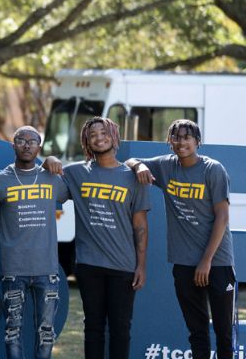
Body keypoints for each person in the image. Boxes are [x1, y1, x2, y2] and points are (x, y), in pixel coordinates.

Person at [125, 119, 235, 359]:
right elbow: (130, 162)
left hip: (216, 262)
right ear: (169, 142)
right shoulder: (165, 167)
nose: (181, 142)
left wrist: (206, 261)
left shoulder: (213, 169)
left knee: (224, 332)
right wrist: (138, 167)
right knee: (197, 331)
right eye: (176, 137)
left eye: (187, 137)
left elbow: (222, 217)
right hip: (184, 263)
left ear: (197, 141)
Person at [59, 117, 150, 359]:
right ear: (86, 142)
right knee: (93, 328)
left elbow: (140, 224)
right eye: (92, 135)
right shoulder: (75, 172)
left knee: (121, 329)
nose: (99, 137)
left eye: (103, 132)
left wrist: (141, 265)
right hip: (89, 265)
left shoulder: (133, 177)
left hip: (123, 266)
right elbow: (47, 181)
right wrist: (49, 160)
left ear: (114, 135)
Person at [0, 126, 69, 359]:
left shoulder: (51, 178)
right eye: (21, 140)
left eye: (32, 141)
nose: (27, 145)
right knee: (12, 331)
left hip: (47, 268)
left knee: (46, 332)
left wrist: (52, 160)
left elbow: (72, 191)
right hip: (13, 269)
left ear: (39, 148)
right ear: (13, 145)